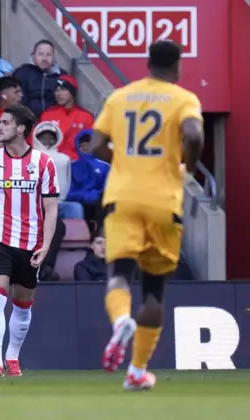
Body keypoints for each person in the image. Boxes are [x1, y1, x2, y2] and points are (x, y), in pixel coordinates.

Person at [89, 40, 204, 391]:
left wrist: (123, 163)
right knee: (155, 288)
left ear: (147, 63)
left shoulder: (120, 96)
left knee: (119, 273)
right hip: (162, 200)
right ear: (178, 66)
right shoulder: (183, 99)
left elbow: (94, 145)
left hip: (122, 197)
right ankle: (137, 370)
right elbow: (195, 134)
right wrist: (189, 165)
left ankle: (121, 319)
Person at [0, 105, 60, 377]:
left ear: (21, 128)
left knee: (22, 303)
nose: (0, 127)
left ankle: (12, 356)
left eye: (6, 122)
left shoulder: (44, 163)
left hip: (30, 241)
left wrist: (45, 245)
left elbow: (51, 208)